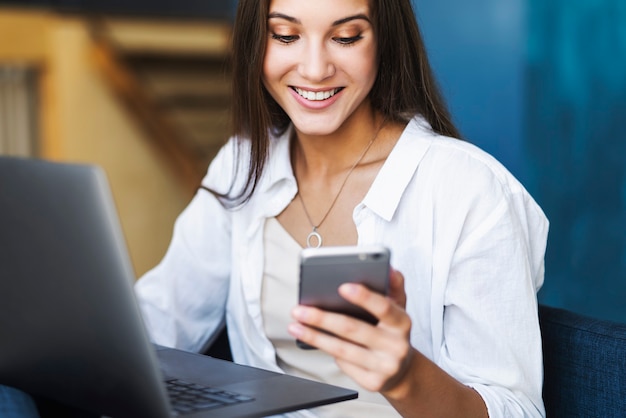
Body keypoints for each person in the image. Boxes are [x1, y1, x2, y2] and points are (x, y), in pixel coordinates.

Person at [0, 0, 546, 416]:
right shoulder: (243, 166)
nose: (313, 69)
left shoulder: (470, 191)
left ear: (385, 42)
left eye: (347, 37)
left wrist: (405, 375)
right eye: (285, 35)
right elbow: (159, 323)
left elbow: (518, 410)